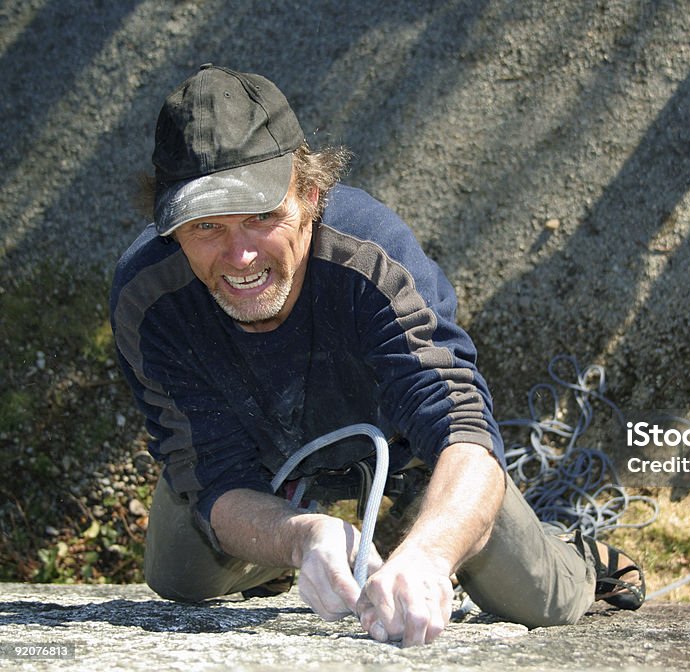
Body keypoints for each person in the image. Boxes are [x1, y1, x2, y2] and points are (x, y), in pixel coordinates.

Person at [110, 64, 644, 647]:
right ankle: (298, 554)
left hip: (407, 452)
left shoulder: (372, 257)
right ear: (170, 226)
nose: (240, 256)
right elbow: (213, 475)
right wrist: (301, 537)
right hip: (257, 463)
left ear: (310, 196)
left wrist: (432, 552)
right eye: (207, 226)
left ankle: (573, 558)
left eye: (263, 216)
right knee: (178, 575)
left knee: (541, 600)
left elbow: (464, 429)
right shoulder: (148, 299)